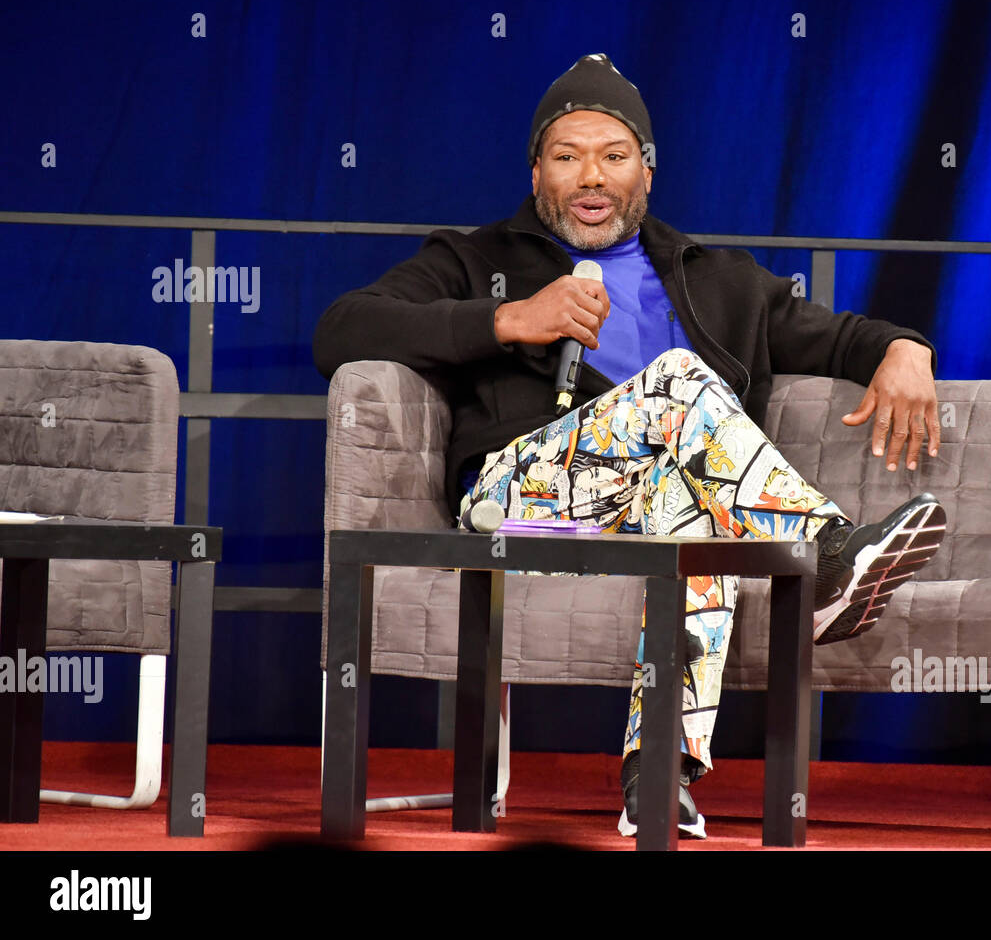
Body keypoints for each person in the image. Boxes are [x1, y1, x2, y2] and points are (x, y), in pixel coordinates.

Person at [313, 53, 947, 839]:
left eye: (613, 156)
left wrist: (907, 350)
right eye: (567, 156)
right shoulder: (477, 261)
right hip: (517, 499)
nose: (591, 177)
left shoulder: (720, 280)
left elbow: (848, 337)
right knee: (679, 382)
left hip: (640, 514)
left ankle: (657, 776)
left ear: (646, 171)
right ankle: (820, 556)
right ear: (537, 170)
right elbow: (342, 328)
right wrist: (505, 320)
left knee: (698, 520)